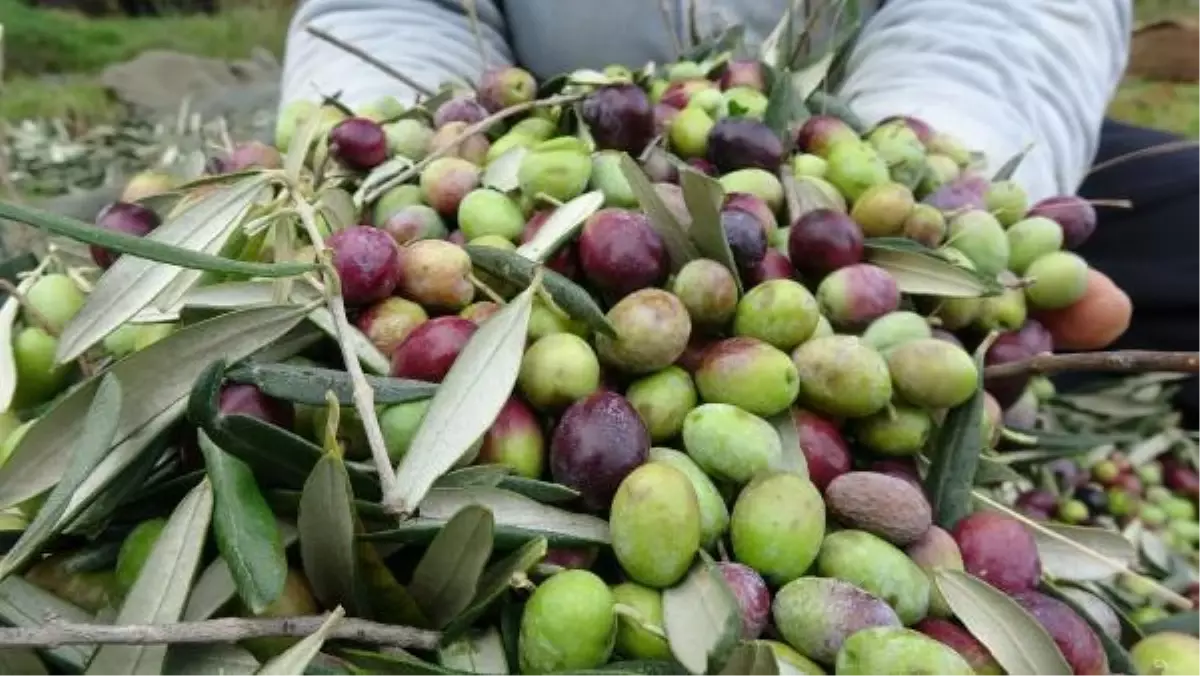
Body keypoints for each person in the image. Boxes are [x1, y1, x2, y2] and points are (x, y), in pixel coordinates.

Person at [279, 1, 1179, 391]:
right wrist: (392, 135)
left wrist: (938, 149)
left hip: (860, 120)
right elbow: (389, 8)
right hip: (550, 119)